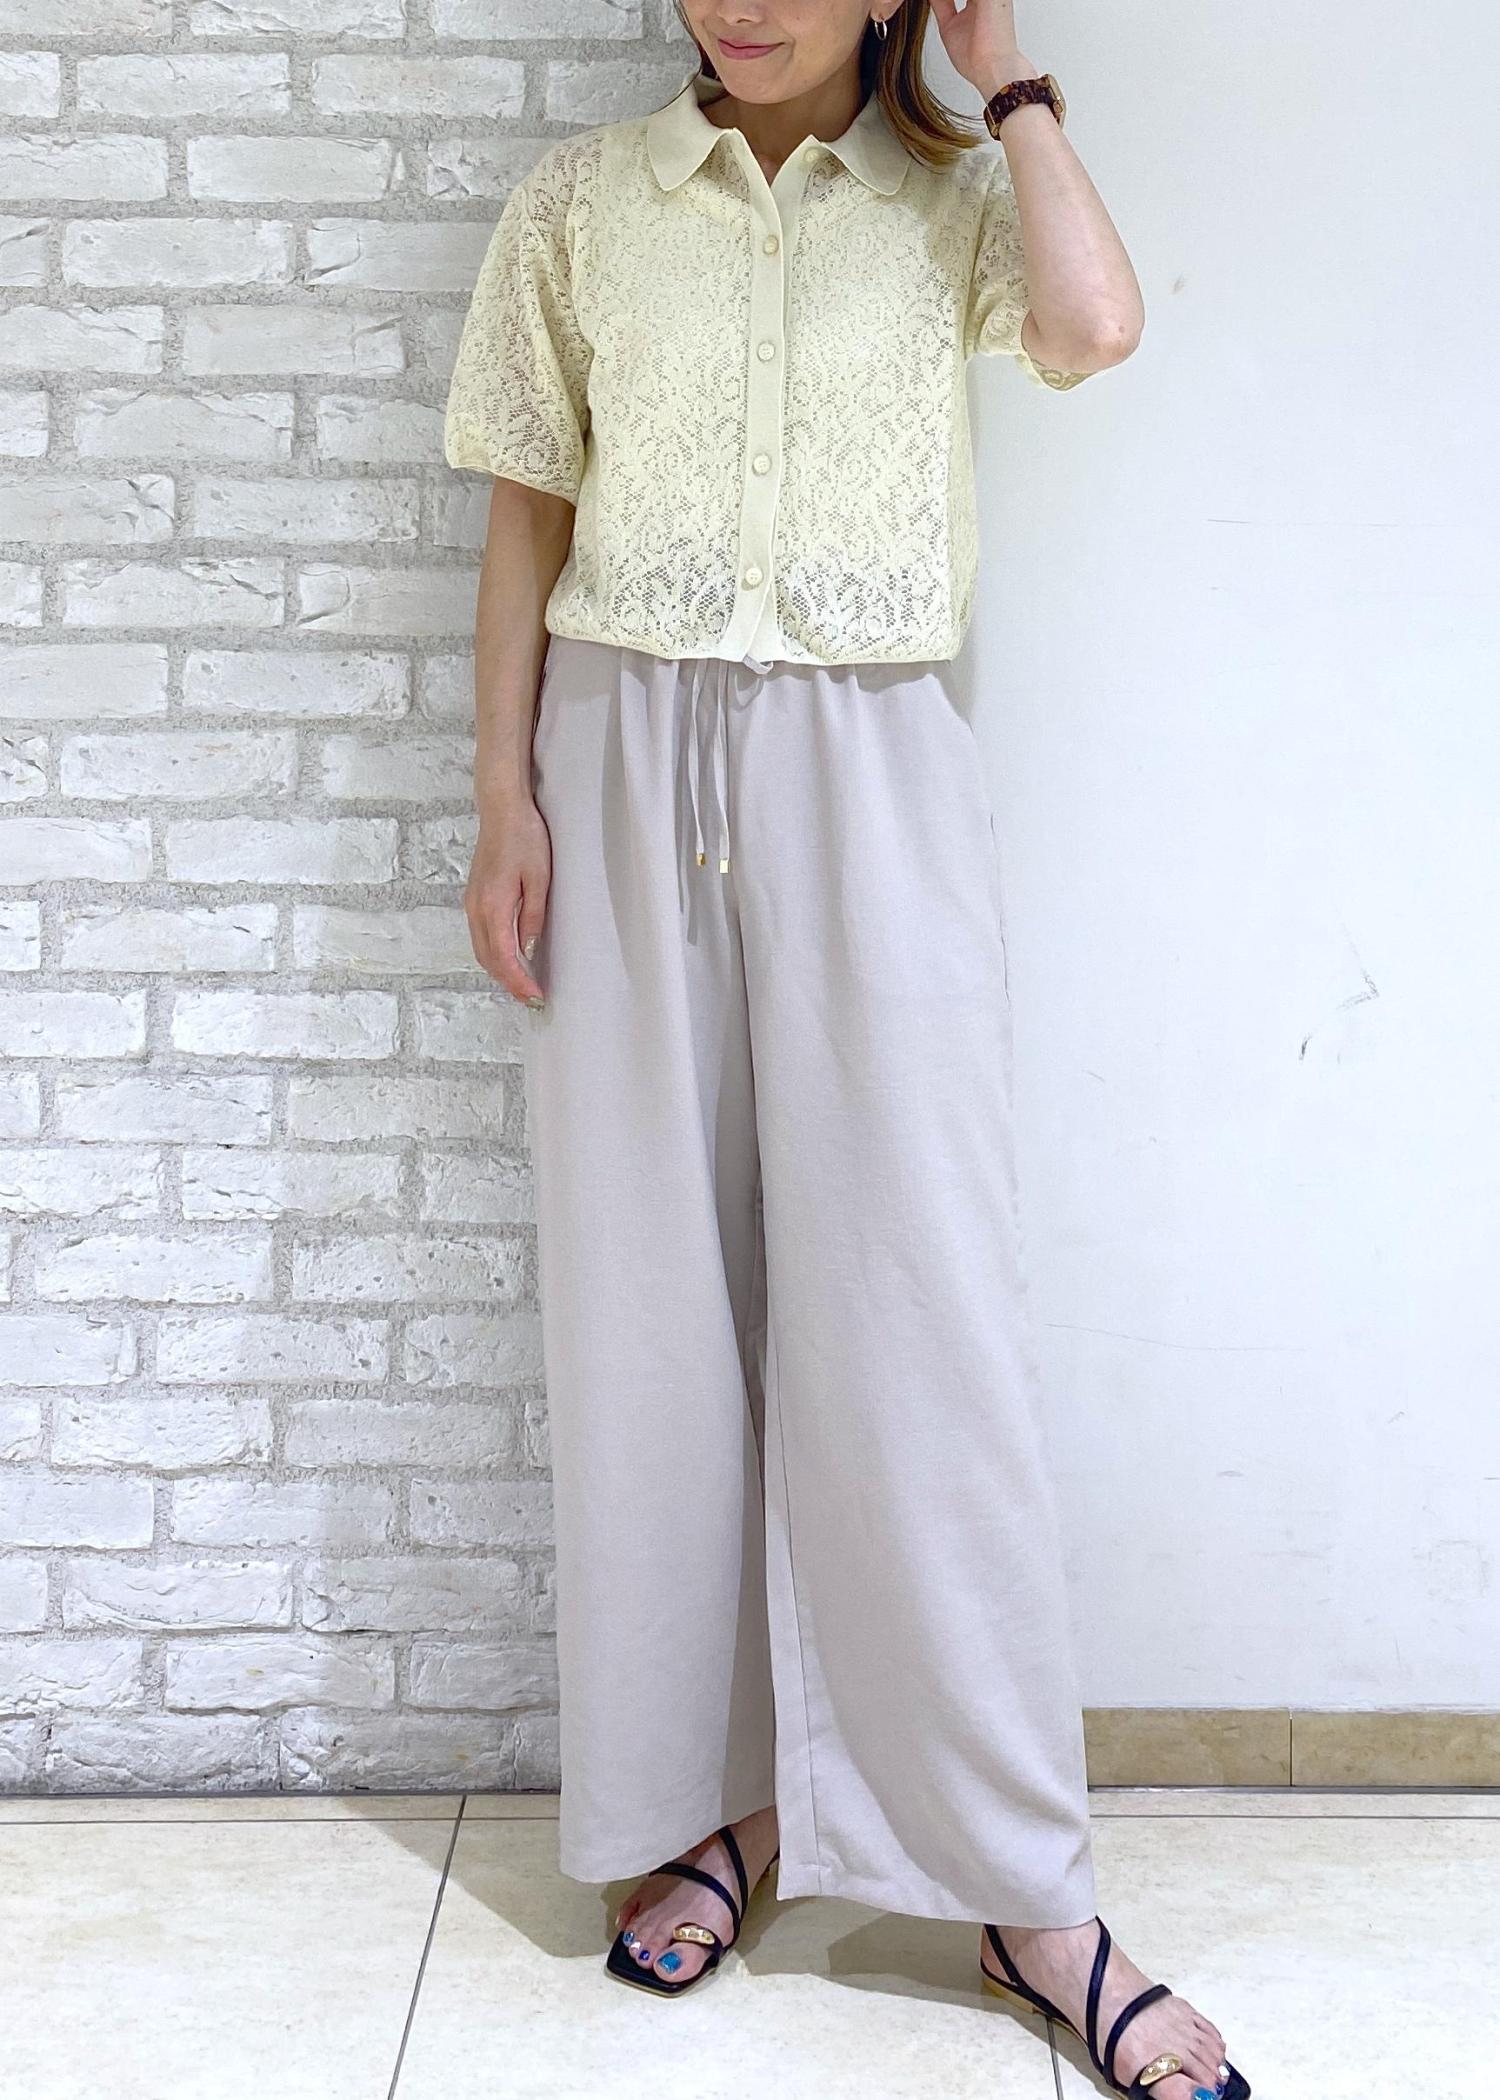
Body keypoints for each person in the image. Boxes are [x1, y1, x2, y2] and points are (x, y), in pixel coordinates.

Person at [445, 5, 1247, 2098]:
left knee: (919, 1319)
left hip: (871, 757)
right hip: (618, 753)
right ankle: (719, 1811)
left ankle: (1022, 1891)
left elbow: (1094, 328)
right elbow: (528, 502)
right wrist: (506, 795)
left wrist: (1015, 85)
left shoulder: (958, 197)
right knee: (650, 1315)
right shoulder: (582, 205)